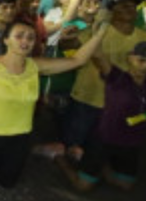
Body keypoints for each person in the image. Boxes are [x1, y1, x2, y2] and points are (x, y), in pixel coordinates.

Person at [0, 20, 108, 189]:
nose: (25, 41)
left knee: (7, 182)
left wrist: (99, 34)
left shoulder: (36, 65)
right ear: (6, 40)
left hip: (19, 136)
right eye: (19, 36)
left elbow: (77, 61)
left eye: (31, 37)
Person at [64, 0, 146, 161]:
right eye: (124, 5)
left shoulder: (142, 36)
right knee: (76, 143)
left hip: (120, 104)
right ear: (112, 10)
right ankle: (65, 166)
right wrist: (65, 37)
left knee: (103, 147)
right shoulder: (97, 30)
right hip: (89, 98)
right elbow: (69, 44)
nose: (129, 9)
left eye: (133, 6)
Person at [57, 41, 146, 192]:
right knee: (82, 187)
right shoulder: (117, 77)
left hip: (131, 144)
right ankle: (59, 157)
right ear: (130, 57)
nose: (145, 67)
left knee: (125, 185)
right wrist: (99, 30)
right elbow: (98, 54)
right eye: (142, 60)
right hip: (104, 139)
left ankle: (99, 165)